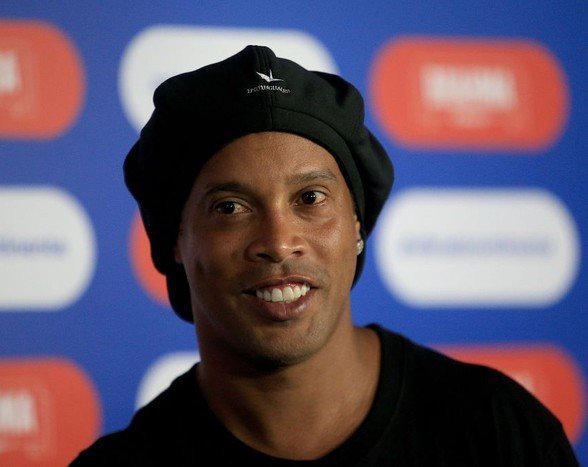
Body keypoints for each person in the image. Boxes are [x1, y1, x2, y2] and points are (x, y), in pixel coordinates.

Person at [71, 45, 578, 465]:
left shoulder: (499, 430)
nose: (278, 242)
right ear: (175, 241)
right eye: (230, 207)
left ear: (356, 223)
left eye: (310, 198)